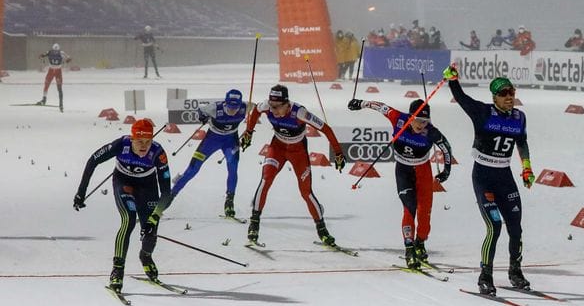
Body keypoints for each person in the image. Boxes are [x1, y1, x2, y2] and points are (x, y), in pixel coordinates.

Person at [442, 64, 535, 296]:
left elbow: (521, 143)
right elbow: (462, 98)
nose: (509, 97)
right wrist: (452, 80)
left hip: (505, 177)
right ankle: (486, 275)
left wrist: (526, 168)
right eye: (504, 94)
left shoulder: (519, 117)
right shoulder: (482, 112)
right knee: (494, 227)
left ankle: (515, 271)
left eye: (512, 93)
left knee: (516, 229)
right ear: (494, 96)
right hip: (483, 176)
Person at [347, 98, 452, 269]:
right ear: (410, 117)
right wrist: (360, 103)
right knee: (409, 207)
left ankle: (420, 242)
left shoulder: (431, 132)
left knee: (424, 215)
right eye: (418, 120)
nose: (421, 125)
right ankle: (409, 248)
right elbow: (380, 106)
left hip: (423, 171)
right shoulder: (398, 118)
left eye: (425, 121)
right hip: (403, 170)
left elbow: (447, 148)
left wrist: (446, 171)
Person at [73, 119, 172, 294]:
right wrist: (81, 192)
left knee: (151, 229)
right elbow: (92, 160)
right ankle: (117, 269)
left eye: (147, 142)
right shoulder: (121, 144)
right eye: (139, 141)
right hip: (123, 182)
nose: (144, 146)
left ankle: (146, 256)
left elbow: (166, 193)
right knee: (129, 220)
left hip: (147, 187)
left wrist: (154, 217)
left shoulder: (158, 153)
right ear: (132, 138)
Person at [240, 84, 346, 246]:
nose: (273, 110)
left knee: (306, 192)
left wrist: (338, 153)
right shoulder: (266, 106)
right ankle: (254, 224)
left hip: (298, 153)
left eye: (277, 107)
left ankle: (322, 230)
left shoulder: (300, 113)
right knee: (265, 181)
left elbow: (327, 129)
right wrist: (248, 132)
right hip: (277, 148)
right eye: (271, 105)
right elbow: (255, 113)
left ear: (287, 104)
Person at [170, 89, 249, 217]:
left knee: (233, 167)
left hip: (230, 141)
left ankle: (229, 201)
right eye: (230, 107)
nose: (233, 110)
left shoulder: (245, 107)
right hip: (211, 140)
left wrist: (249, 131)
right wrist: (202, 116)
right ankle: (171, 195)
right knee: (192, 170)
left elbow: (258, 109)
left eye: (236, 107)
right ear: (225, 103)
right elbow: (200, 110)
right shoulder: (215, 108)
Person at [36, 43, 71, 112]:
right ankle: (44, 99)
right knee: (47, 84)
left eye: (56, 51)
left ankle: (60, 104)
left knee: (59, 87)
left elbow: (69, 58)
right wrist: (41, 57)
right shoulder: (52, 52)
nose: (55, 52)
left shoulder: (59, 52)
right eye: (54, 51)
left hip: (57, 71)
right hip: (52, 71)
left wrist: (66, 61)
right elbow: (41, 56)